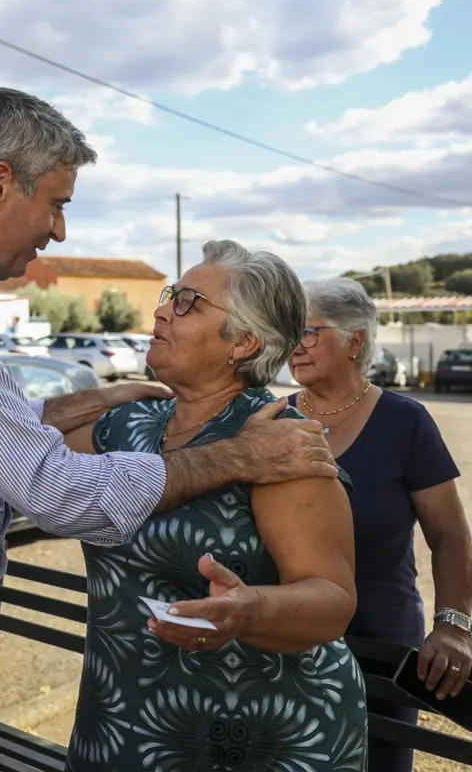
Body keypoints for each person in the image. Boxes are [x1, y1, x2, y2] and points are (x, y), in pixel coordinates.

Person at [0, 87, 339, 771]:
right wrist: (232, 459)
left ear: (247, 342)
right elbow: (50, 488)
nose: (60, 231)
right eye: (58, 203)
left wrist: (61, 412)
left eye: (185, 300)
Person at [61, 240, 367, 770]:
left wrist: (249, 611)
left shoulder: (278, 444)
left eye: (188, 302)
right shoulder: (130, 423)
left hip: (263, 736)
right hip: (121, 721)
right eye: (169, 296)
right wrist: (108, 395)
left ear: (244, 342)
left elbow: (332, 602)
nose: (160, 310)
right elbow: (11, 449)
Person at [290, 277, 472, 772]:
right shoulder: (271, 422)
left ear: (355, 342)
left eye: (307, 331)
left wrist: (454, 628)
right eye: (289, 330)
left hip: (381, 653)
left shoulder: (405, 422)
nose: (294, 344)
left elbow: (450, 534)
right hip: (286, 646)